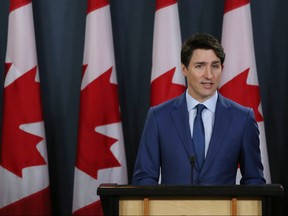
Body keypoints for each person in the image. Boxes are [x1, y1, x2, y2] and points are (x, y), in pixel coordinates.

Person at [132, 33, 266, 185]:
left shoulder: (242, 118)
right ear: (184, 69)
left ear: (222, 69)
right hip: (173, 209)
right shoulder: (159, 117)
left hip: (223, 209)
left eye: (215, 66)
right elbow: (144, 177)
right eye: (199, 66)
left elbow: (254, 179)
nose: (209, 75)